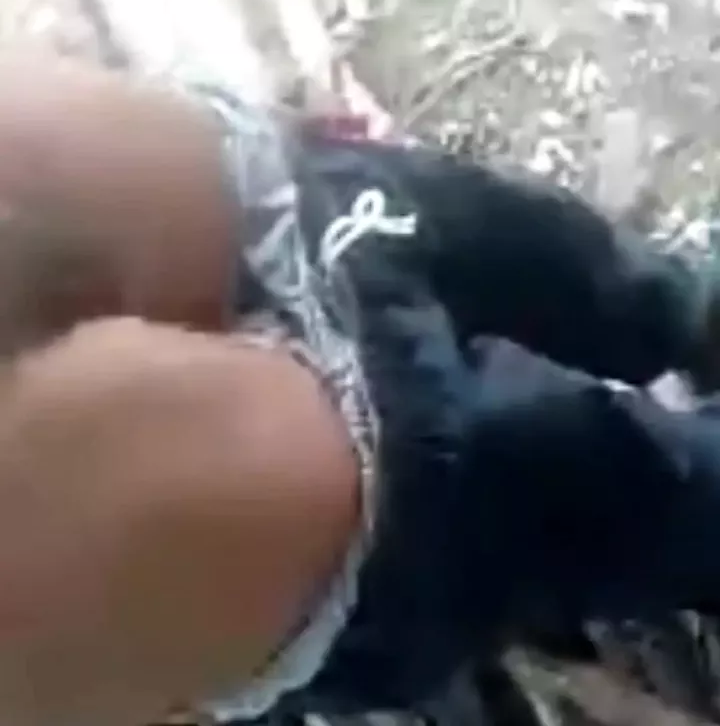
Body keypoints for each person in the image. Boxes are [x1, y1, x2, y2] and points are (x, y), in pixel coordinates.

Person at [0, 50, 718, 726]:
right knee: (608, 468)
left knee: (581, 276)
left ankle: (685, 318)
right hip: (360, 496)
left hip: (282, 193)